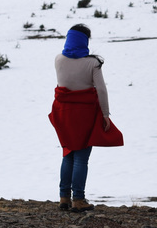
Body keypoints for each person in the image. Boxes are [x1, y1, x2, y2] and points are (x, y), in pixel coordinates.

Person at [49, 23, 123, 212]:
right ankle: (78, 199)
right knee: (81, 158)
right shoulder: (92, 63)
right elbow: (101, 90)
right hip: (84, 115)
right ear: (84, 40)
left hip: (63, 113)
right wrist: (105, 114)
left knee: (67, 154)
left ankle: (64, 197)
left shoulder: (58, 59)